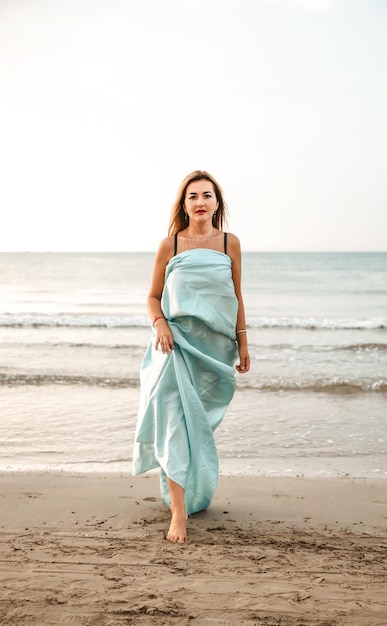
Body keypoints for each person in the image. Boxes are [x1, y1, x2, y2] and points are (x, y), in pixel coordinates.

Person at [132, 170, 250, 543]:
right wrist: (160, 325)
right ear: (184, 205)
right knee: (172, 422)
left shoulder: (231, 243)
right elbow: (152, 296)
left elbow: (236, 296)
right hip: (172, 346)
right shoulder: (172, 246)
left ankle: (191, 493)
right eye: (193, 196)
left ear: (217, 202)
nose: (200, 202)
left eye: (207, 195)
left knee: (195, 426)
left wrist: (243, 342)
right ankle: (178, 515)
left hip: (213, 350)